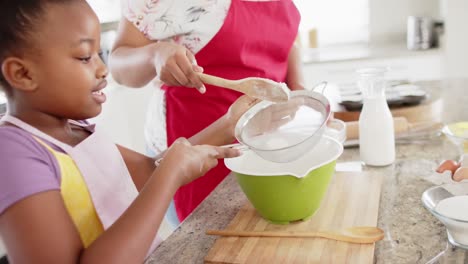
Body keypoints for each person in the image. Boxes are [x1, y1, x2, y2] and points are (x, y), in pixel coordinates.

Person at [0, 1, 257, 263]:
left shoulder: (77, 130)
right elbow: (162, 174)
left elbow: (148, 171)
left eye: (99, 54)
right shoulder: (12, 154)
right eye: (85, 57)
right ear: (22, 74)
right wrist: (170, 175)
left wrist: (230, 123)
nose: (102, 69)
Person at [110, 0, 305, 223]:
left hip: (264, 142)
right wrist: (155, 54)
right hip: (195, 142)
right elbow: (118, 64)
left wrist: (297, 86)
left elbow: (288, 38)